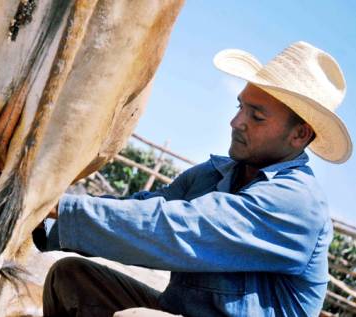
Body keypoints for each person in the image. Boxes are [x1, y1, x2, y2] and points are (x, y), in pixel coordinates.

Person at [33, 41, 353, 317]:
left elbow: (181, 227)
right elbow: (146, 208)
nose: (236, 122)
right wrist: (39, 218)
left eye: (256, 116)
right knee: (71, 278)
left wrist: (55, 203)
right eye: (240, 107)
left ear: (299, 134)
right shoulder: (213, 174)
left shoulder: (297, 204)